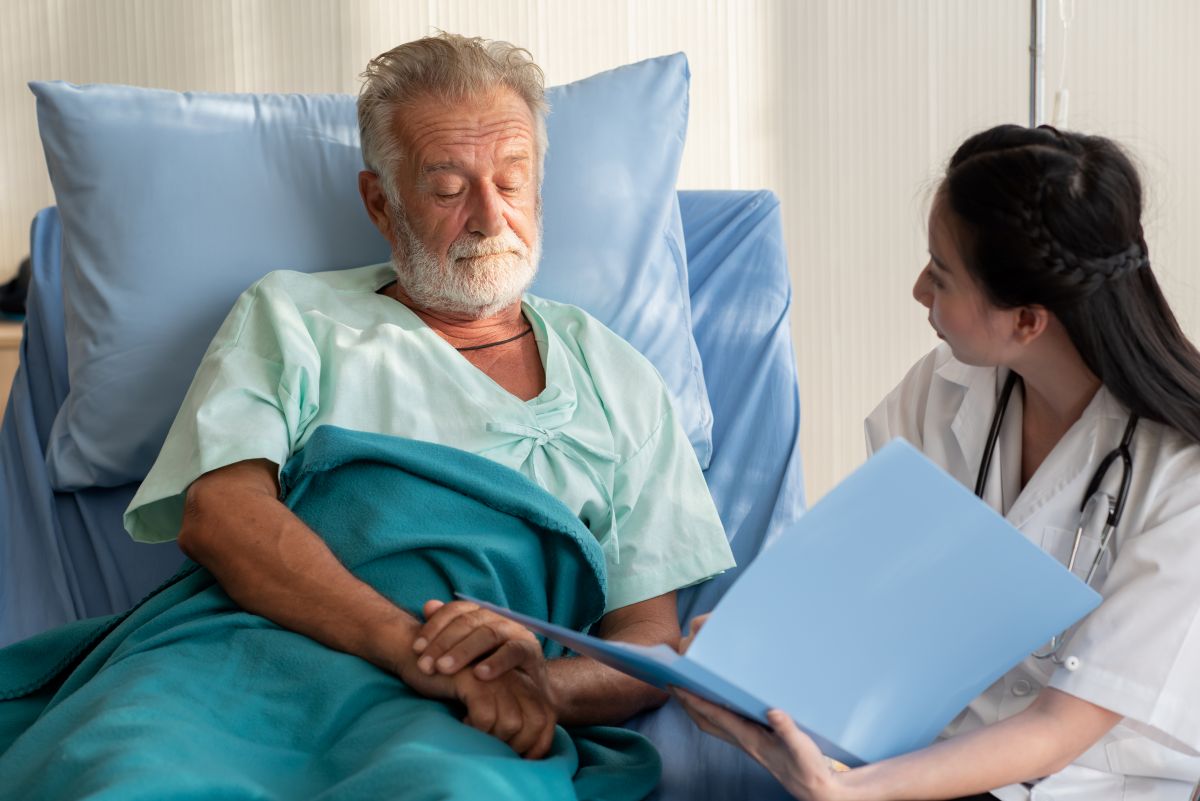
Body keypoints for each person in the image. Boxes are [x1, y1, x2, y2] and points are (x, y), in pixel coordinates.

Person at [122, 33, 734, 760]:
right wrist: (410, 649)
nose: (488, 216)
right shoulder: (294, 317)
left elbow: (647, 638)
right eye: (448, 187)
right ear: (380, 202)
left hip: (474, 717)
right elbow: (220, 513)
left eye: (511, 180)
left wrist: (541, 685)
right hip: (256, 666)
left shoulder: (619, 378)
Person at [674, 125, 1200, 800]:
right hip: (924, 763)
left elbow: (1058, 728)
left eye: (942, 274)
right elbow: (874, 601)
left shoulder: (1181, 473)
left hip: (1094, 784)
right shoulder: (943, 389)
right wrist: (761, 649)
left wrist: (854, 792)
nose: (920, 288)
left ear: (1027, 320)